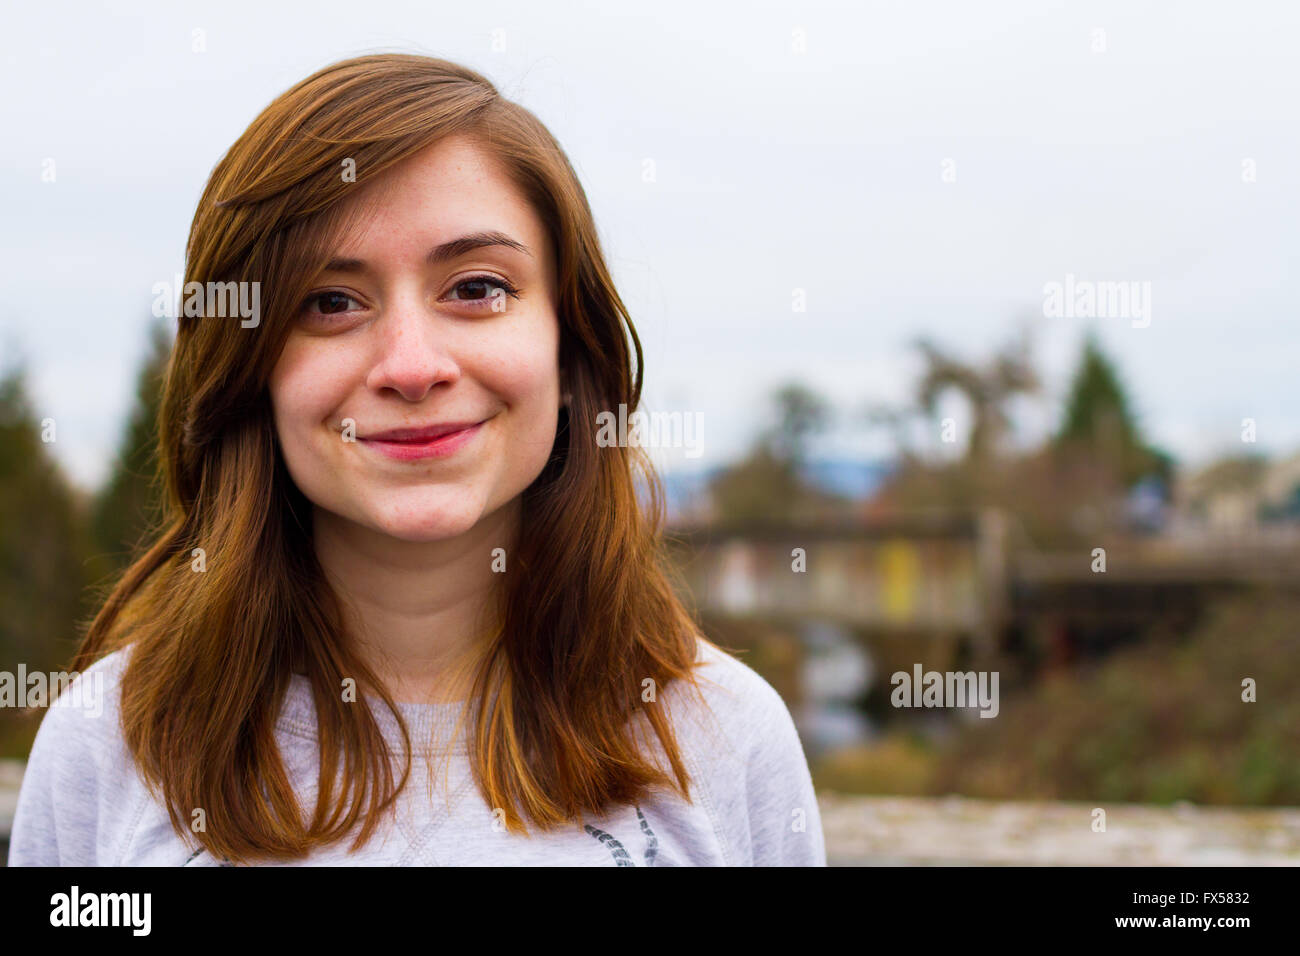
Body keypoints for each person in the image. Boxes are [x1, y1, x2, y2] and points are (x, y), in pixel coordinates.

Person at [9, 53, 825, 866]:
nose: (410, 365)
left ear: (570, 354)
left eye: (475, 288)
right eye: (330, 303)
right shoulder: (107, 743)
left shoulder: (727, 738)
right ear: (248, 371)